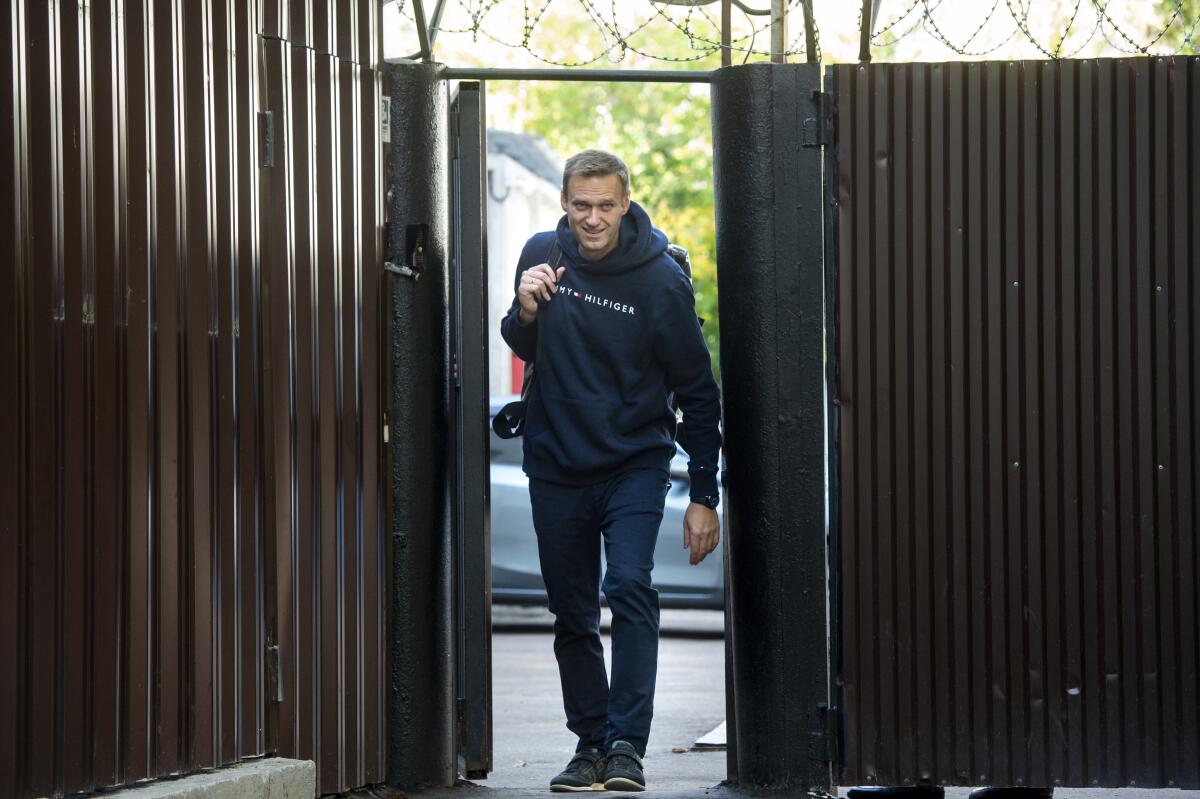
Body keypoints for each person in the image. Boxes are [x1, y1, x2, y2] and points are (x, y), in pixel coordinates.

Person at [500, 149, 722, 793]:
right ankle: (590, 742)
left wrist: (704, 493)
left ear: (625, 203)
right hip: (555, 463)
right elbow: (522, 342)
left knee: (628, 586)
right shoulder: (544, 253)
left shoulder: (659, 280)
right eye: (580, 205)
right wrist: (527, 309)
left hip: (633, 462)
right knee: (570, 612)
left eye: (605, 205)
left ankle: (626, 743)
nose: (592, 219)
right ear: (564, 203)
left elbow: (699, 392)